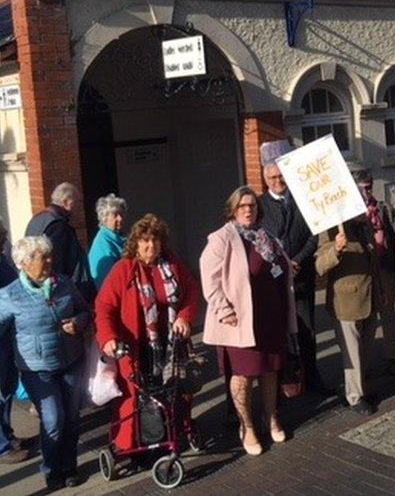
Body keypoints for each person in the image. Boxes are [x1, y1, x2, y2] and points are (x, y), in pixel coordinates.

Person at [200, 187, 297, 456]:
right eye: (242, 205)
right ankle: (248, 426)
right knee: (243, 377)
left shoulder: (265, 236)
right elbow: (210, 280)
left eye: (252, 205)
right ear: (233, 209)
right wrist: (223, 309)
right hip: (240, 322)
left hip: (270, 318)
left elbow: (279, 265)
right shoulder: (221, 239)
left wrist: (288, 268)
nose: (247, 210)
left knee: (270, 371)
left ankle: (271, 417)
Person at [95, 214, 199, 454]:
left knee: (175, 390)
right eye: (145, 240)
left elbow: (192, 290)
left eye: (155, 240)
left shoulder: (171, 264)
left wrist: (185, 316)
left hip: (170, 342)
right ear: (136, 243)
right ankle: (134, 445)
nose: (151, 245)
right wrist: (109, 337)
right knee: (137, 398)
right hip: (136, 345)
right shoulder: (124, 269)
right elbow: (104, 306)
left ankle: (173, 434)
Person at [0, 236, 91, 489]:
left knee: (71, 418)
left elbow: (85, 310)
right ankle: (51, 468)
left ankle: (69, 465)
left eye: (50, 255)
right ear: (24, 263)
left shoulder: (64, 283)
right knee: (53, 419)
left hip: (71, 360)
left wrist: (79, 323)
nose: (50, 260)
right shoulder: (9, 295)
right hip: (37, 369)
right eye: (43, 257)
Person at [258, 149, 327, 393]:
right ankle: (280, 384)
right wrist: (282, 264)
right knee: (279, 334)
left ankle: (312, 377)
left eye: (281, 177)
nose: (278, 182)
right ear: (266, 180)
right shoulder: (260, 206)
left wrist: (296, 261)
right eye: (273, 178)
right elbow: (259, 241)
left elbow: (313, 236)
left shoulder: (302, 201)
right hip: (275, 282)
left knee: (308, 330)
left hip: (301, 276)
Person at [315, 211, 380, 416]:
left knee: (366, 350)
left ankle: (364, 388)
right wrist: (336, 248)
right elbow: (319, 266)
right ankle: (355, 396)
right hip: (346, 301)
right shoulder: (331, 229)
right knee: (352, 354)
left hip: (370, 297)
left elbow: (373, 263)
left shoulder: (365, 227)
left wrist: (381, 291)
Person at [354, 170, 395, 377]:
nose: (366, 192)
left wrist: (393, 254)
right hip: (364, 271)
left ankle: (392, 356)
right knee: (367, 318)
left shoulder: (383, 208)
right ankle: (364, 363)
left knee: (388, 314)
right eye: (362, 188)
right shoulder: (351, 213)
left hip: (384, 268)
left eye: (369, 187)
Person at [25, 182, 95, 302]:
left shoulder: (37, 219)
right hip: (55, 291)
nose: (78, 206)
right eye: (76, 202)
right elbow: (56, 262)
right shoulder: (58, 225)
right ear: (66, 202)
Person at [0, 218, 26, 465]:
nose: (5, 240)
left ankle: (6, 434)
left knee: (7, 389)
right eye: (1, 235)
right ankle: (2, 446)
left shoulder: (2, 260)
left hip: (7, 336)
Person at [88, 193, 127, 290]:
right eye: (115, 215)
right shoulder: (102, 245)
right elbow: (107, 285)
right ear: (104, 218)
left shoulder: (121, 238)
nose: (120, 218)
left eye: (121, 214)